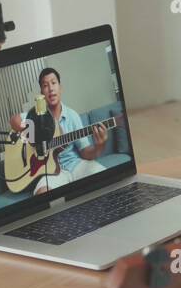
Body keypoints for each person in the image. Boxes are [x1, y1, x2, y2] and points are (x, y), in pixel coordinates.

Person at [10, 67, 109, 195]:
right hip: (51, 173)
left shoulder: (72, 115)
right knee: (42, 194)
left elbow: (85, 152)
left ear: (60, 88)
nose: (50, 88)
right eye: (45, 85)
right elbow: (14, 120)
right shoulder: (37, 116)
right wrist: (30, 133)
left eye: (53, 83)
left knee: (105, 177)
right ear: (41, 92)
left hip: (76, 165)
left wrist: (99, 146)